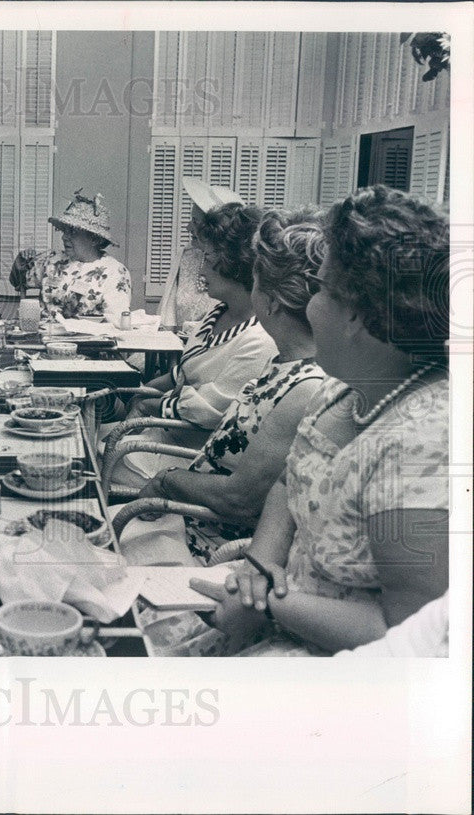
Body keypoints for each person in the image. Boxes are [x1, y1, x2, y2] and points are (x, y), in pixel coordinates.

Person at [188, 185, 449, 656]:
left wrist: (266, 603)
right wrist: (259, 568)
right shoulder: (342, 386)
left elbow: (410, 636)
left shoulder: (424, 443)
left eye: (323, 288)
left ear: (360, 313)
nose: (308, 303)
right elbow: (290, 483)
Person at [116, 210, 326, 565]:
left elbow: (241, 501)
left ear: (271, 300)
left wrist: (168, 480)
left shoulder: (302, 385)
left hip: (206, 544)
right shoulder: (284, 365)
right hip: (191, 511)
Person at [118, 202, 278, 479]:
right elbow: (187, 371)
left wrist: (146, 404)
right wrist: (141, 390)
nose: (200, 270)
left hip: (192, 458)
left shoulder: (259, 338)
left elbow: (207, 412)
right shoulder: (216, 313)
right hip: (165, 434)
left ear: (236, 265)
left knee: (90, 467)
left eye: (208, 258)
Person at [9, 189, 132, 323]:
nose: (64, 237)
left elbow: (116, 321)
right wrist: (22, 259)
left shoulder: (115, 272)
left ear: (95, 239)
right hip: (43, 336)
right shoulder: (53, 261)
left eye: (72, 232)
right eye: (64, 231)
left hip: (86, 340)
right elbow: (18, 280)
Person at [157, 178, 241, 332]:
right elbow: (167, 315)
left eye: (195, 222)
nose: (188, 227)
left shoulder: (239, 265)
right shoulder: (186, 255)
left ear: (216, 229)